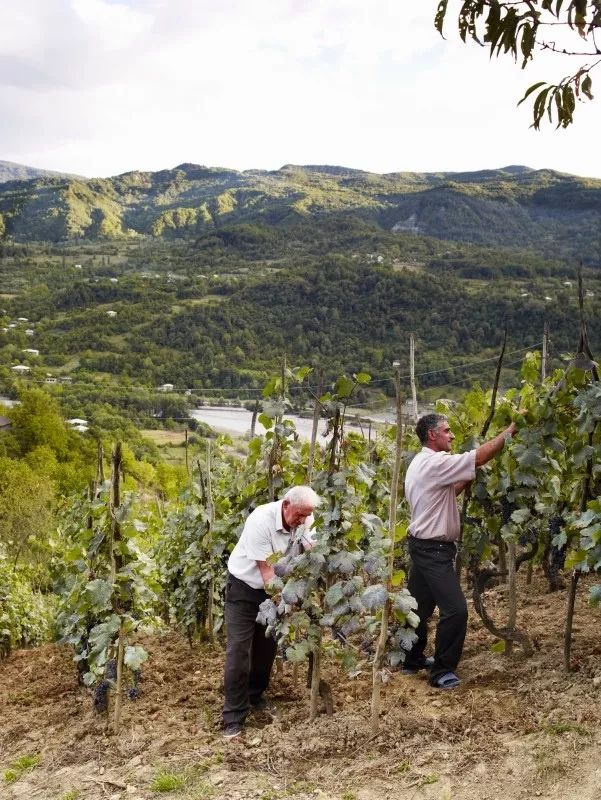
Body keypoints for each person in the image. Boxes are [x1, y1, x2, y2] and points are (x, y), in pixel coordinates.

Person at [403, 413, 518, 689]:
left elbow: (446, 493)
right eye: (447, 430)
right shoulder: (434, 462)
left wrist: (469, 477)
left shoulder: (421, 462)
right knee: (456, 610)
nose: (452, 435)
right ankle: (442, 671)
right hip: (433, 549)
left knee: (417, 607)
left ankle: (411, 659)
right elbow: (477, 457)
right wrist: (511, 431)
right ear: (433, 435)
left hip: (422, 544)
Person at [222, 485, 321, 738]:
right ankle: (233, 717)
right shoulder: (260, 521)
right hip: (245, 590)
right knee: (239, 651)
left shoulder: (306, 519)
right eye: (299, 515)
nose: (302, 520)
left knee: (267, 650)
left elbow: (312, 552)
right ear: (286, 504)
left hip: (278, 591)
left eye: (306, 516)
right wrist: (289, 602)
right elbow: (268, 576)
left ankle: (255, 697)